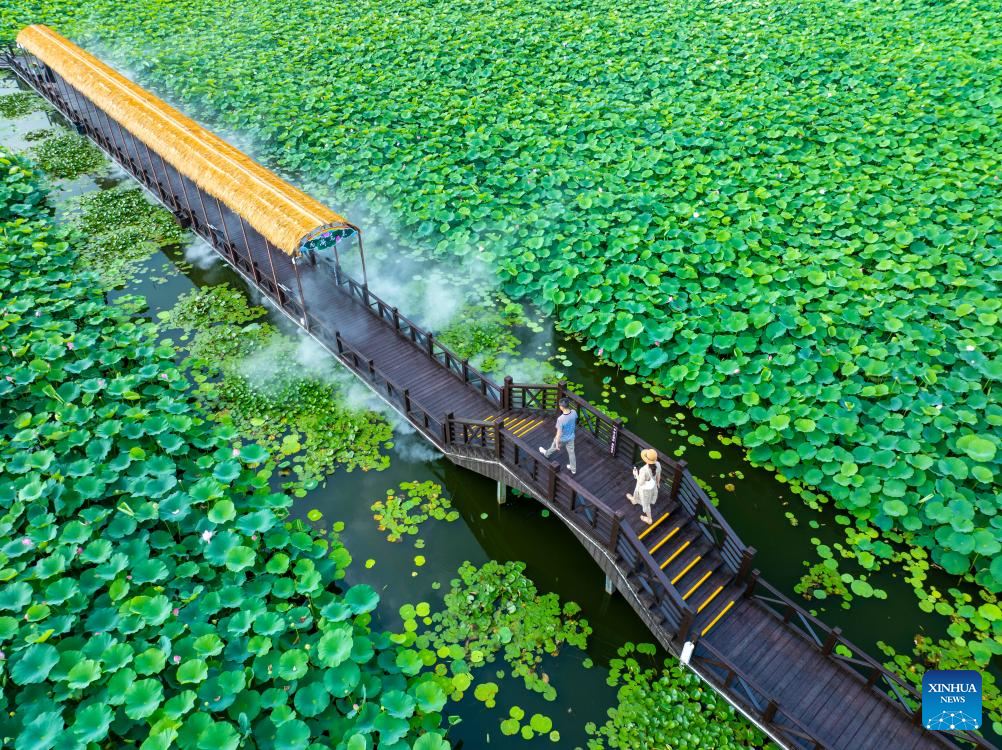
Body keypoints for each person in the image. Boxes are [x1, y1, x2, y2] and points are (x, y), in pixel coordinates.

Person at [539, 398, 577, 474]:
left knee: (553, 447)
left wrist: (556, 443)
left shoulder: (561, 419)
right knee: (571, 452)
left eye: (559, 405)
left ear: (561, 407)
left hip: (562, 439)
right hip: (571, 437)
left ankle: (546, 454)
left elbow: (559, 433)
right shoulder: (574, 412)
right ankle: (573, 469)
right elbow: (574, 421)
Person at [627, 448, 661, 524]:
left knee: (646, 504)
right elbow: (658, 475)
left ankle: (649, 519)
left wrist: (636, 474)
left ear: (646, 459)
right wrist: (658, 483)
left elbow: (640, 483)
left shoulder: (644, 470)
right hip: (652, 487)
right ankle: (634, 500)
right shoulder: (658, 464)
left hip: (645, 490)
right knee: (636, 491)